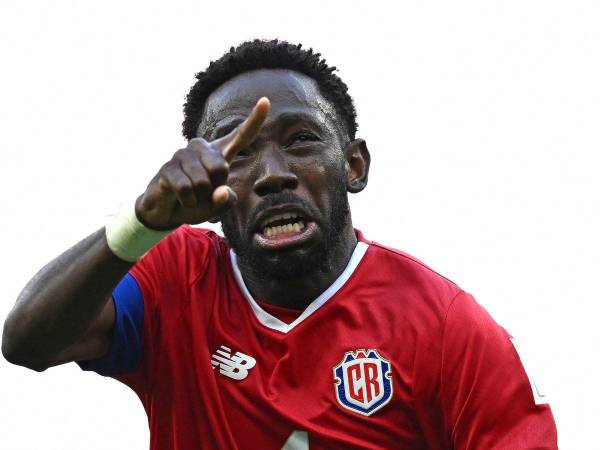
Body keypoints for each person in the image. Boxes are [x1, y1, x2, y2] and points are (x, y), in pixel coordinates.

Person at [2, 39, 557, 449]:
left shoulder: (444, 326)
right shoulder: (175, 275)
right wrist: (141, 223)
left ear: (354, 165)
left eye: (301, 140)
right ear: (203, 178)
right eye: (237, 153)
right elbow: (29, 343)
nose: (272, 175)